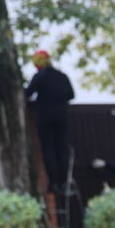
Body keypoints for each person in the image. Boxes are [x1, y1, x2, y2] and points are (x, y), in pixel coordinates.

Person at [24, 49, 75, 193]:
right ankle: (64, 183)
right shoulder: (62, 76)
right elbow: (71, 94)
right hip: (62, 117)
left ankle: (54, 183)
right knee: (62, 149)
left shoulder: (40, 76)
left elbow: (27, 93)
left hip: (45, 118)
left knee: (49, 149)